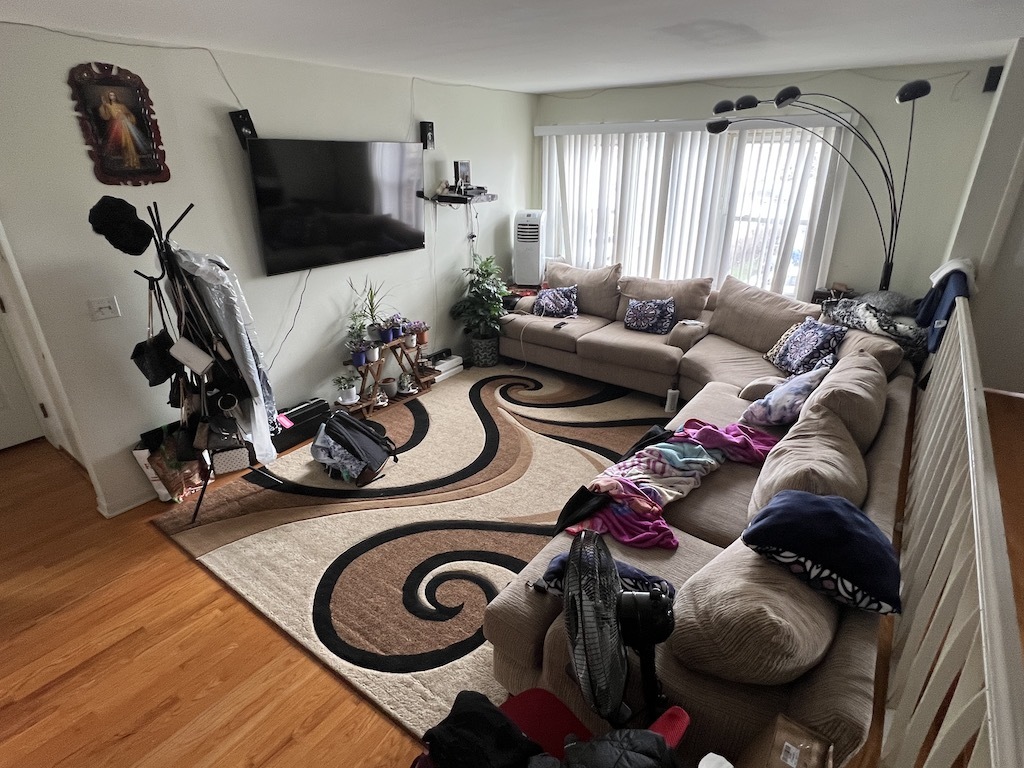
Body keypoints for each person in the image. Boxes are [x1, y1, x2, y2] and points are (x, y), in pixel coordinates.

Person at [98, 91, 149, 170]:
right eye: (111, 95)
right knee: (123, 144)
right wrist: (104, 105)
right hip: (116, 127)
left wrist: (125, 116)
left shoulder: (122, 106)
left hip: (125, 126)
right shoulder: (108, 106)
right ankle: (127, 161)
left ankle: (133, 162)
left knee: (129, 144)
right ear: (109, 97)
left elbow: (130, 115)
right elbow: (106, 116)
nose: (112, 96)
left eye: (113, 95)